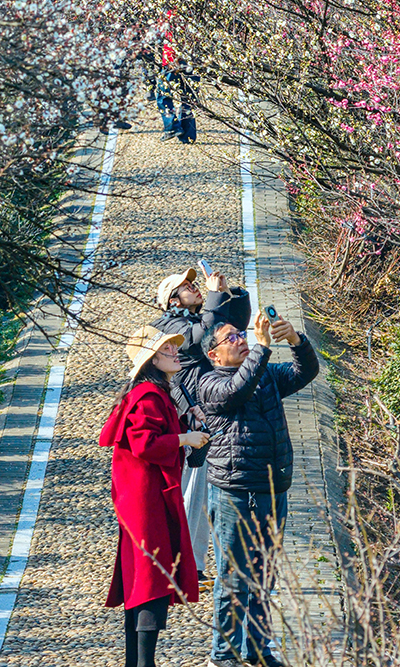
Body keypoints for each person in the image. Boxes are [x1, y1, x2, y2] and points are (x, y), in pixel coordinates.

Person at [196, 310, 320, 667]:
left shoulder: (265, 374)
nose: (241, 340)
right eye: (231, 338)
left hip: (273, 489)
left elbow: (305, 372)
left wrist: (295, 340)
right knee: (233, 577)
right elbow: (237, 390)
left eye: (241, 334)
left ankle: (259, 648)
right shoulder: (210, 384)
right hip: (234, 492)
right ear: (214, 354)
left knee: (265, 575)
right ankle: (224, 655)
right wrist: (262, 349)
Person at [100, 324, 210, 667]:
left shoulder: (154, 393)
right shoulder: (148, 396)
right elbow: (144, 443)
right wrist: (183, 439)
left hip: (143, 498)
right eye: (166, 349)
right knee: (151, 578)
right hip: (147, 501)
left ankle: (137, 662)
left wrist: (185, 423)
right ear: (151, 360)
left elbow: (157, 434)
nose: (175, 352)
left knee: (143, 577)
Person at [156, 266, 251, 579]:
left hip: (212, 413)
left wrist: (228, 293)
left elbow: (237, 323)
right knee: (192, 492)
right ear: (173, 300)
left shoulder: (204, 315)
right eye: (186, 286)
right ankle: (181, 564)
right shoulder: (169, 326)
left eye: (194, 284)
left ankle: (192, 565)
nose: (194, 287)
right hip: (191, 418)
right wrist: (213, 298)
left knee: (203, 492)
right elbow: (200, 339)